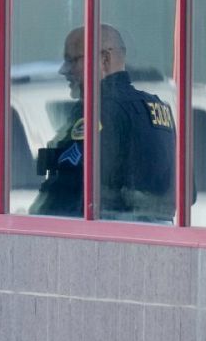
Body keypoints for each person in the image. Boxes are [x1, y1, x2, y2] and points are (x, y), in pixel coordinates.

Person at [30, 24, 175, 220]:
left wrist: (36, 220)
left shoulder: (100, 109)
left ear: (104, 59)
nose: (64, 70)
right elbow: (184, 194)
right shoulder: (157, 108)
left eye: (73, 60)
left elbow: (69, 188)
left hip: (109, 235)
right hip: (155, 238)